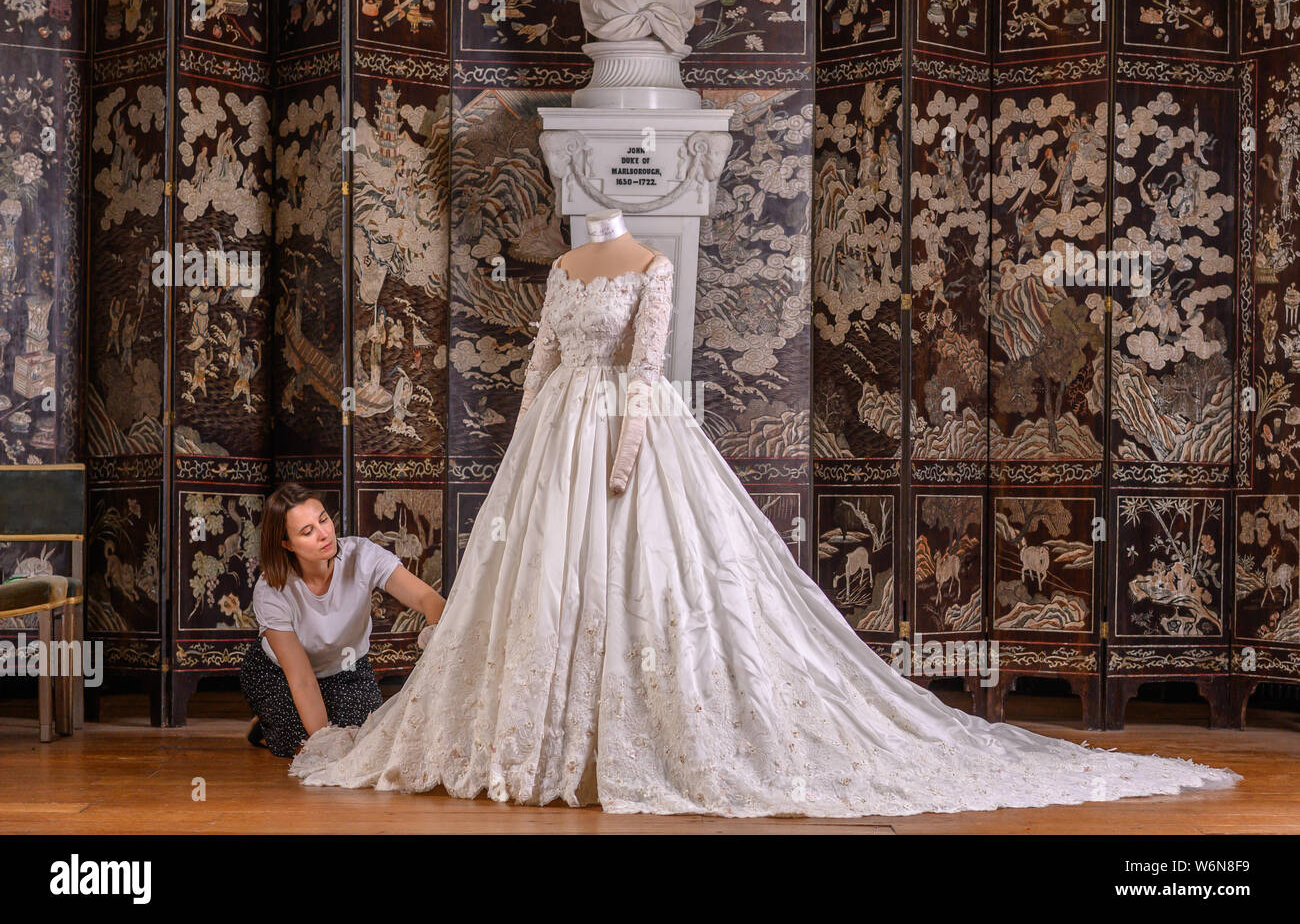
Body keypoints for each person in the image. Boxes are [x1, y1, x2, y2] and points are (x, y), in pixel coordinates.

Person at [286, 211, 1241, 817]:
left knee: (662, 583)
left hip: (617, 432)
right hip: (564, 441)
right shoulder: (571, 267)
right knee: (545, 581)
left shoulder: (642, 262)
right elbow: (542, 365)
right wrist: (534, 454)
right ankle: (533, 739)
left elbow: (640, 371)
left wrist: (619, 461)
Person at [240, 482, 445, 757]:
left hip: (346, 667)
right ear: (287, 543)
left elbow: (428, 599)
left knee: (363, 741)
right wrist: (323, 743)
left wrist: (438, 637)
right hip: (281, 673)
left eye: (323, 519)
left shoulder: (362, 555)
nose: (323, 534)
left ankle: (294, 721)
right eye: (307, 531)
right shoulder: (271, 590)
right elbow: (301, 679)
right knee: (309, 747)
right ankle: (268, 728)